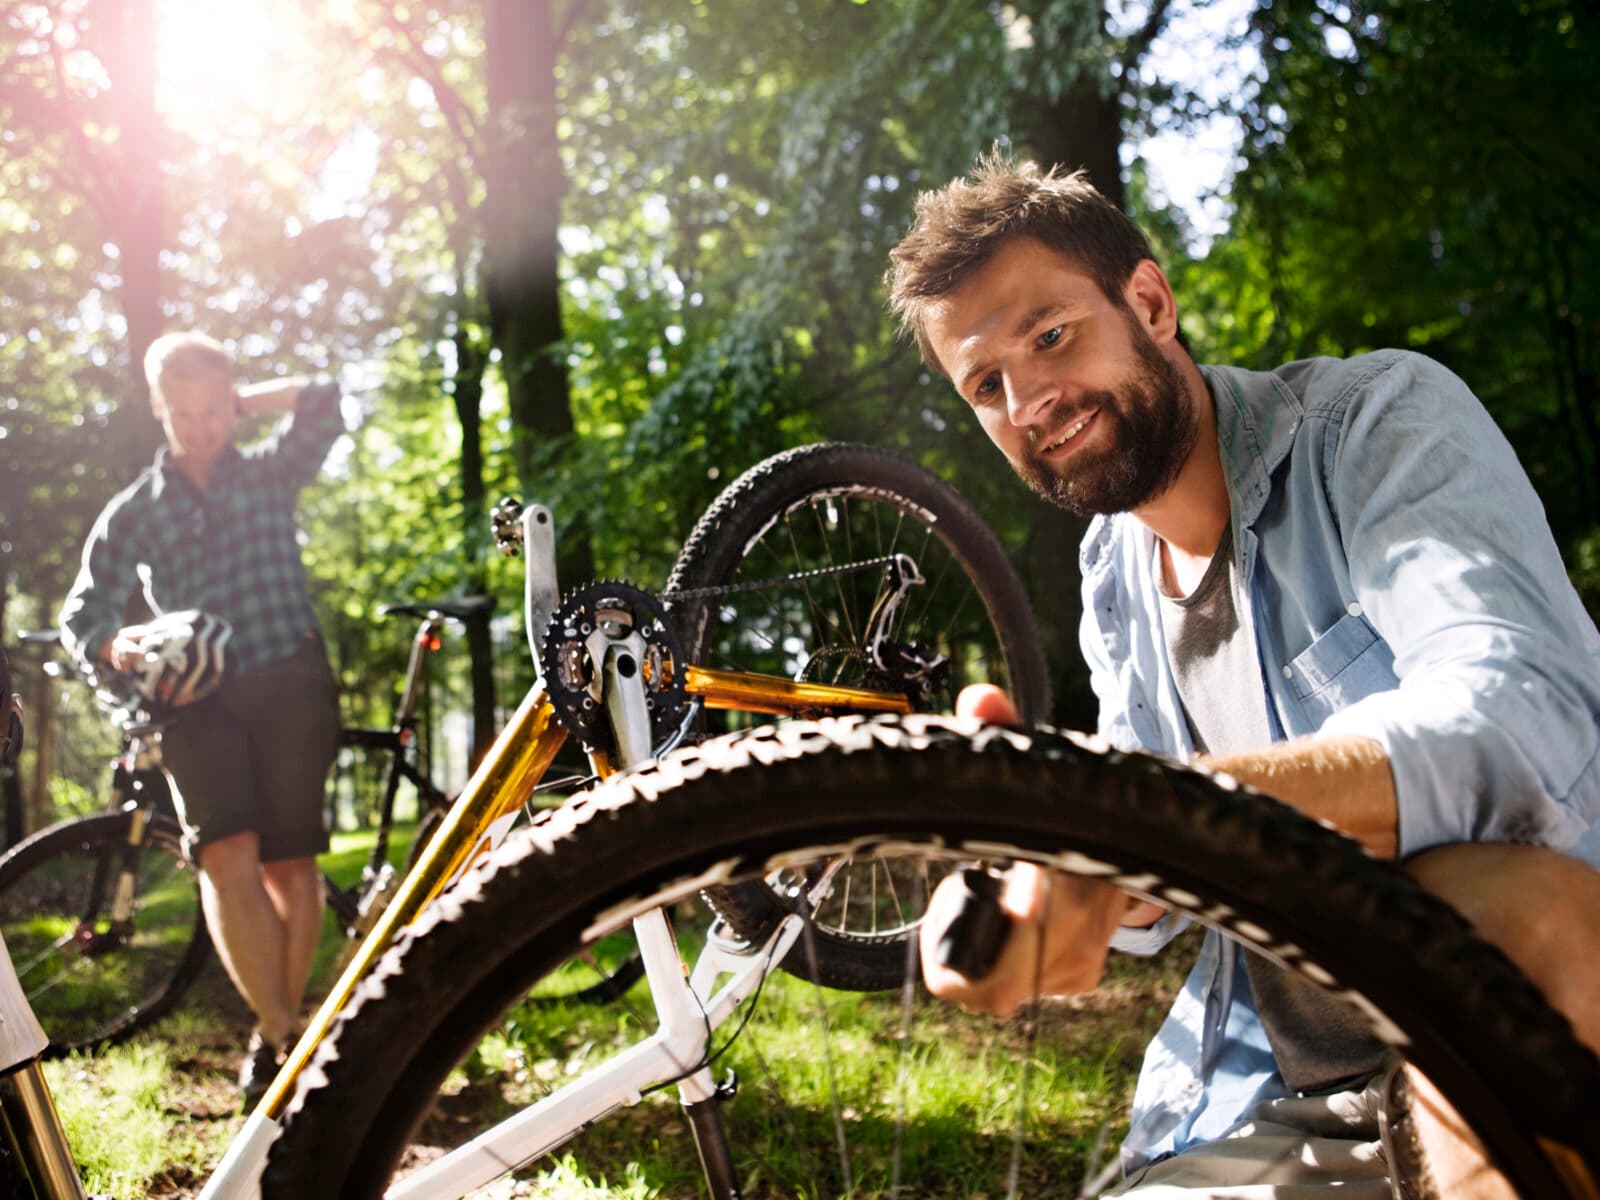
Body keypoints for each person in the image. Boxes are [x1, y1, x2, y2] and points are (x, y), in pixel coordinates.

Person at [885, 154, 1600, 1198]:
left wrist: (1144, 812)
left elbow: (1518, 714)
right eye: (985, 385)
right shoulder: (1113, 577)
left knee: (1504, 900)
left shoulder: (1376, 424)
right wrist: (1046, 852)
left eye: (1049, 336)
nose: (1030, 398)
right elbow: (1160, 904)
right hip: (1285, 1097)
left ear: (1150, 301)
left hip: (1517, 1030)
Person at [59, 332, 343, 1106]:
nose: (202, 426)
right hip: (191, 700)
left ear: (232, 405)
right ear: (159, 408)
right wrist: (113, 645)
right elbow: (83, 616)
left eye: (215, 410)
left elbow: (324, 399)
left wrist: (246, 397)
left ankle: (279, 1038)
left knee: (289, 861)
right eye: (184, 412)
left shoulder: (272, 474)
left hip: (289, 678)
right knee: (225, 855)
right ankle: (285, 1035)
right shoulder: (135, 512)